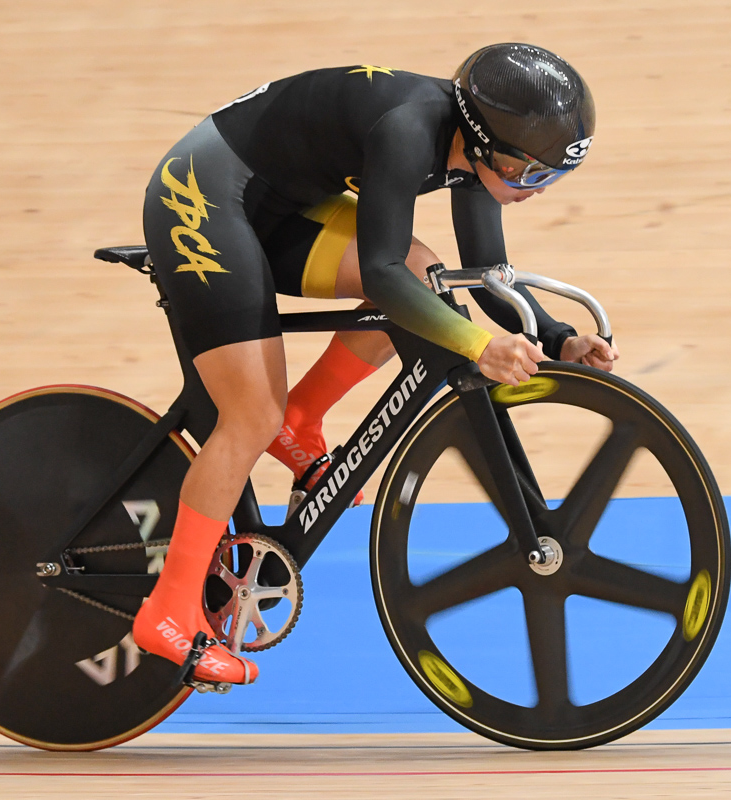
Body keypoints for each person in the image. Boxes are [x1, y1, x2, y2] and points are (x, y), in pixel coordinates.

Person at [132, 43, 619, 686]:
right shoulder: (409, 128)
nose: (532, 190)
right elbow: (383, 279)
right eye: (527, 174)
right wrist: (476, 347)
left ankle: (301, 420)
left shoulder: (473, 153)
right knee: (248, 415)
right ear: (480, 142)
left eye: (549, 179)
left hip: (278, 200)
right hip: (202, 198)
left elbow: (481, 276)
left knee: (429, 276)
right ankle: (167, 612)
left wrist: (558, 339)